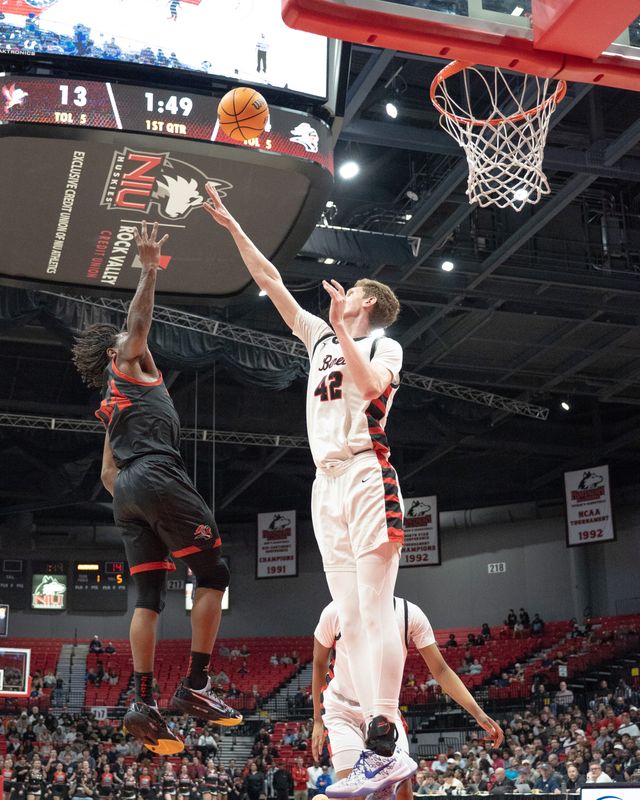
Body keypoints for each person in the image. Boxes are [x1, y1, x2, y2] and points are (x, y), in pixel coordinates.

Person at [204, 186, 412, 791]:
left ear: (367, 302)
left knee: (374, 610)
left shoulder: (381, 342)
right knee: (347, 614)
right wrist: (230, 222)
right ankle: (372, 748)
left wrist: (344, 331)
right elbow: (270, 281)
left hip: (369, 473)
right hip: (324, 482)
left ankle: (383, 728)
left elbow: (372, 386)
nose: (344, 295)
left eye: (356, 293)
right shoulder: (318, 337)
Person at [72, 222, 241, 755]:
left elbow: (106, 476)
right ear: (116, 352)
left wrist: (136, 493)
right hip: (157, 476)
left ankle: (142, 702)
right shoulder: (127, 366)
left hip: (124, 494)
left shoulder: (112, 408)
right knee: (213, 573)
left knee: (148, 596)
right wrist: (147, 269)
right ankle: (195, 688)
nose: (139, 346)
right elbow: (139, 326)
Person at [311, 596, 503, 798]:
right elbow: (318, 663)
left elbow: (441, 670)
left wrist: (478, 713)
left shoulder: (409, 613)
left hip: (382, 711)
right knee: (354, 794)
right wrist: (317, 719)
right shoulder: (335, 611)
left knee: (403, 792)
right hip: (343, 710)